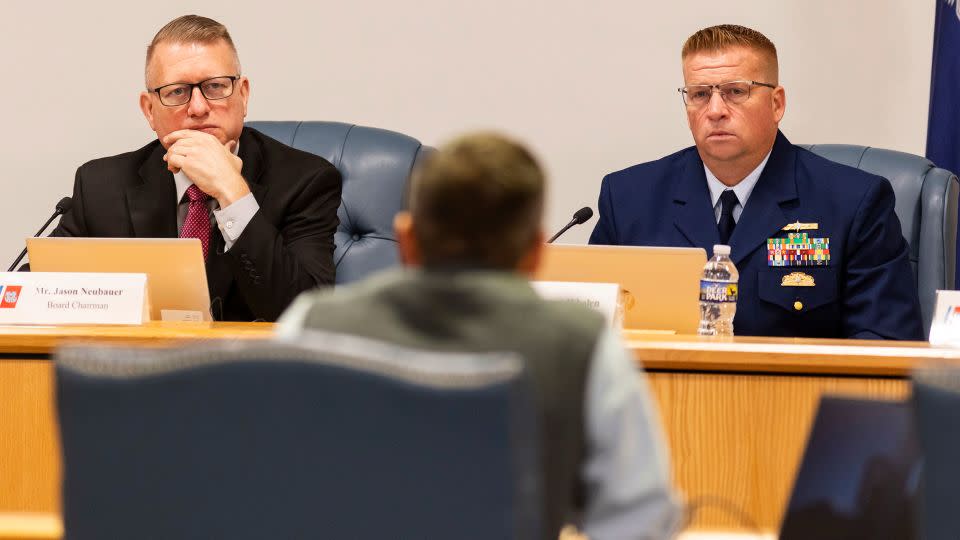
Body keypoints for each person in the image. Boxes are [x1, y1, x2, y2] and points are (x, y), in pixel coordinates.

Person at [277, 132, 681, 539]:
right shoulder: (583, 345)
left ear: (407, 239)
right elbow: (638, 524)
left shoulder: (312, 326)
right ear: (537, 252)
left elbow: (274, 486)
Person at [589, 24, 923, 340]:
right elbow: (590, 331)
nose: (716, 110)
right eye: (700, 94)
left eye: (736, 92)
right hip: (666, 398)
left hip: (796, 398)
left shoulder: (854, 203)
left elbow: (886, 344)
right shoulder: (629, 199)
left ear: (776, 103)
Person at [52, 15, 342, 322]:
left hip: (249, 367)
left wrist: (234, 195)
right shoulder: (99, 186)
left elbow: (307, 315)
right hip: (137, 365)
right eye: (177, 91)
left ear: (243, 95)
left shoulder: (306, 181)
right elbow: (34, 292)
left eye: (216, 86)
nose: (199, 108)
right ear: (150, 110)